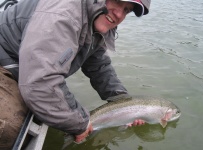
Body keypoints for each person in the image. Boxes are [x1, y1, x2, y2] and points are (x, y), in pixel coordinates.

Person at [0, 0, 151, 148]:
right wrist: (80, 123)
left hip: (27, 68)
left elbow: (99, 66)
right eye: (117, 1)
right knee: (10, 128)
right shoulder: (63, 14)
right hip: (5, 59)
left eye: (127, 10)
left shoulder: (96, 20)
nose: (119, 14)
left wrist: (125, 104)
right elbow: (41, 83)